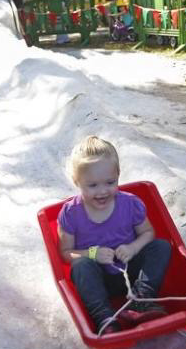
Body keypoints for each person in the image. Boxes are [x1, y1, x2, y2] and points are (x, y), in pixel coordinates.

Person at [58, 136, 171, 334]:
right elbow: (66, 252)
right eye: (92, 185)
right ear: (77, 182)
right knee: (81, 266)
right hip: (98, 281)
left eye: (110, 182)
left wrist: (133, 247)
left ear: (118, 175)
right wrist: (92, 254)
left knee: (161, 246)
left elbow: (147, 232)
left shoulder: (130, 203)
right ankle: (105, 318)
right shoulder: (71, 212)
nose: (102, 191)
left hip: (132, 274)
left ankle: (142, 300)